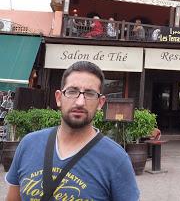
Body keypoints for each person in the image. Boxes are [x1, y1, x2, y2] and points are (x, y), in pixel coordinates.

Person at [5, 61, 139, 200]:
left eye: (90, 93)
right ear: (58, 98)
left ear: (100, 103)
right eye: (72, 91)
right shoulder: (29, 145)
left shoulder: (116, 159)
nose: (80, 102)